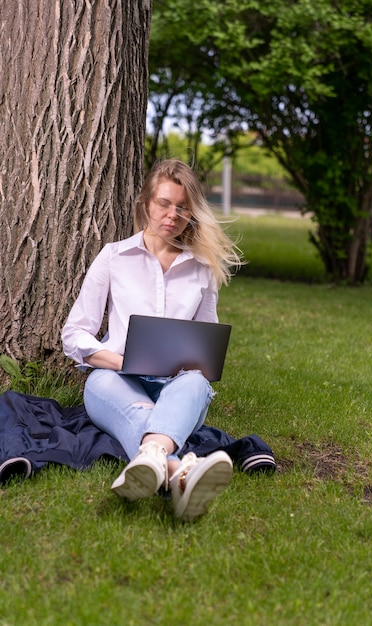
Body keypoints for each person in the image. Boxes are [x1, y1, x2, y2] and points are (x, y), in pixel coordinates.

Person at [62, 158, 243, 521]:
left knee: (195, 384)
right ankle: (177, 475)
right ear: (146, 203)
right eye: (164, 203)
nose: (172, 215)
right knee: (120, 396)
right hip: (113, 380)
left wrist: (196, 367)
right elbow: (73, 334)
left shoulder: (201, 269)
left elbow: (206, 339)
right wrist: (119, 361)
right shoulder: (113, 258)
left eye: (182, 207)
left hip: (176, 386)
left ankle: (161, 468)